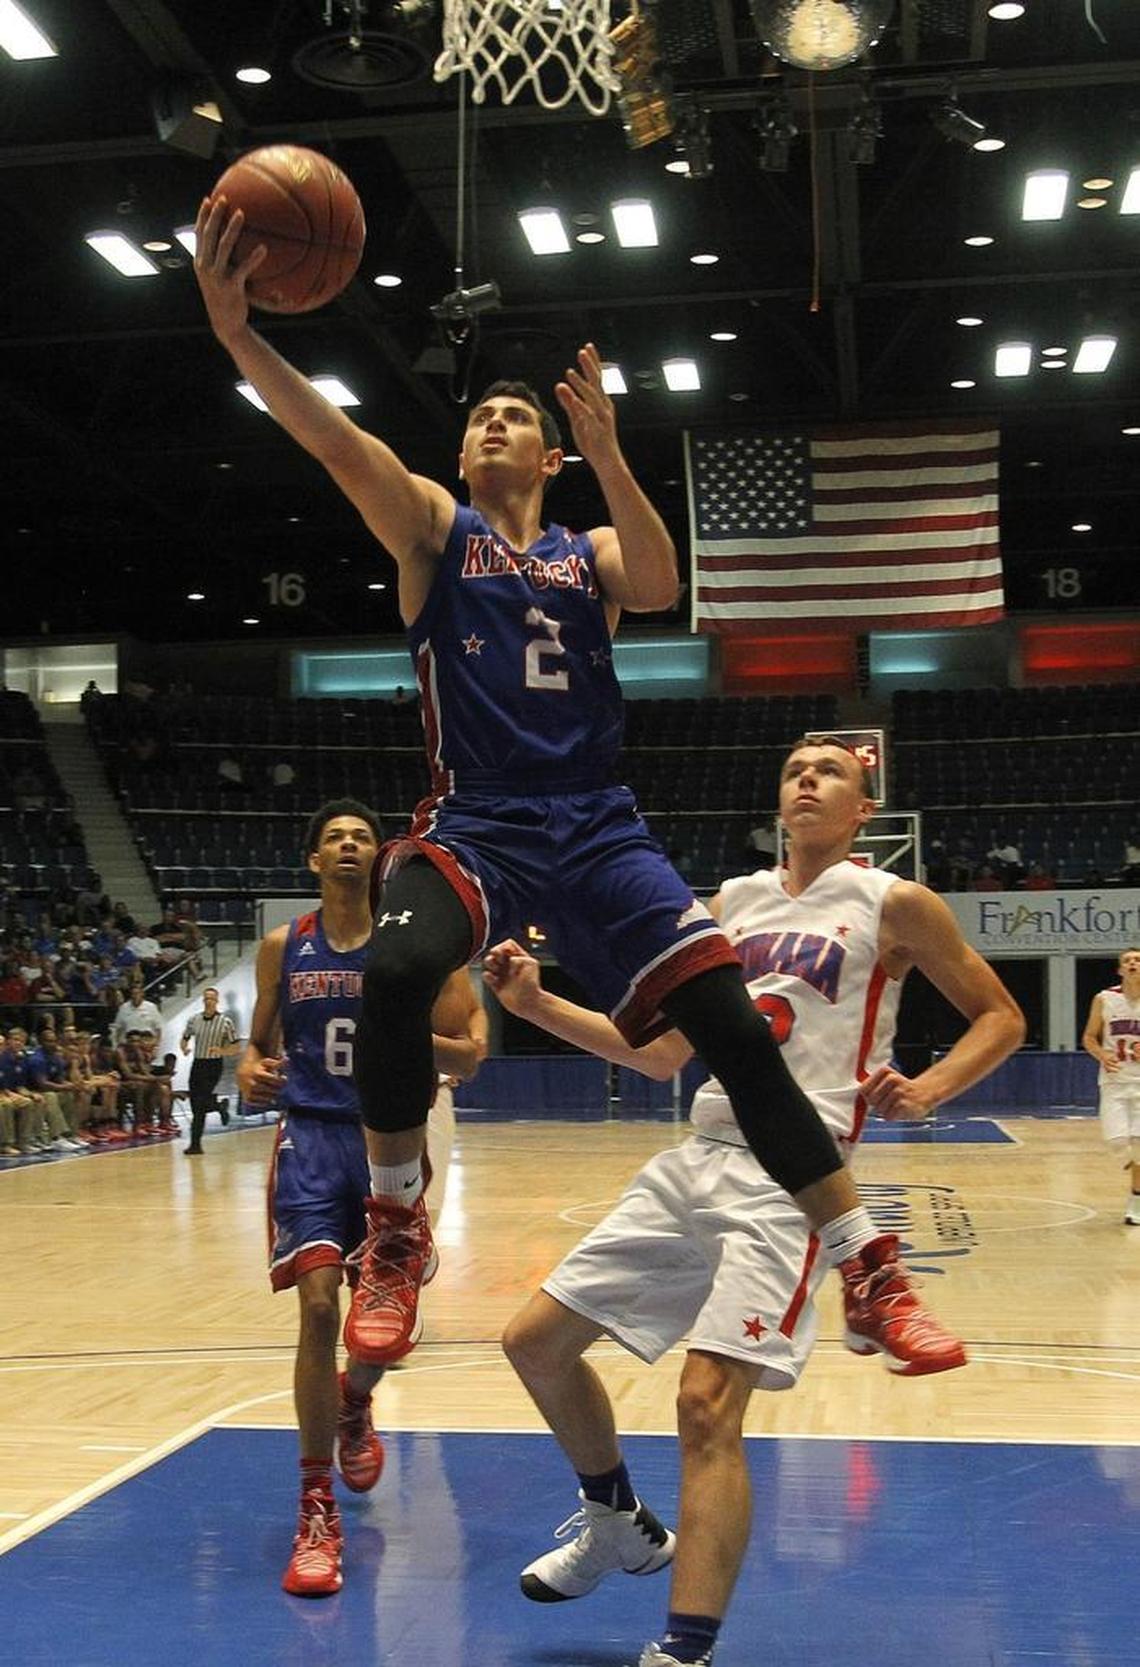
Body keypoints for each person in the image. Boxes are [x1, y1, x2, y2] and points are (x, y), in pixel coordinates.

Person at [194, 201, 967, 1379]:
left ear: (546, 454)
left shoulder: (588, 553)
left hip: (600, 825)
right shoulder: (432, 532)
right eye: (481, 418)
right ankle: (397, 1229)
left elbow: (658, 583)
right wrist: (242, 337)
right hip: (481, 826)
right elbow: (337, 441)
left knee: (734, 1031)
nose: (497, 425)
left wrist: (609, 454)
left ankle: (866, 1261)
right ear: (462, 456)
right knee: (400, 968)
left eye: (517, 417)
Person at [485, 737, 1026, 1667]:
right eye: (793, 771)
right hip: (696, 1153)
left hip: (793, 1180)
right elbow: (656, 1051)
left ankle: (685, 1650)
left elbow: (1003, 1015)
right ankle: (615, 1518)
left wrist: (930, 1089)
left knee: (705, 1405)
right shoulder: (726, 904)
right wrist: (535, 1007)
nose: (807, 779)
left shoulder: (894, 902)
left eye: (830, 772)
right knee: (533, 1341)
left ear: (865, 809)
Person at [236, 799, 486, 1597]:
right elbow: (259, 1041)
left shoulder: (418, 943)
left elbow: (471, 1051)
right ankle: (317, 1506)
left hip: (393, 1137)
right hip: (310, 1138)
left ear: (381, 858)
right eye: (334, 838)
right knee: (316, 1309)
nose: (348, 846)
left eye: (362, 837)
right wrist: (248, 1064)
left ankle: (355, 1401)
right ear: (313, 859)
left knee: (377, 1335)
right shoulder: (284, 947)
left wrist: (400, 1035)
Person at [1081, 947, 1140, 1226]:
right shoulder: (1104, 999)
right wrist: (1102, 1054)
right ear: (1120, 970)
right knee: (1117, 1144)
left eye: (1138, 960)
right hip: (1114, 1081)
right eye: (1127, 961)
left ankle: (1136, 1203)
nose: (1133, 963)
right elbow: (1089, 1038)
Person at [179, 985, 240, 1154]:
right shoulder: (194, 1020)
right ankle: (219, 1107)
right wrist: (184, 1048)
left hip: (213, 1065)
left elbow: (236, 1047)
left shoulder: (225, 1022)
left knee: (200, 1103)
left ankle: (195, 1143)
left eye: (212, 999)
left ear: (217, 1001)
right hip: (197, 1063)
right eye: (206, 999)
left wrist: (222, 1051)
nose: (209, 1002)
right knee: (195, 1102)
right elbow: (184, 1038)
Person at [111, 981, 163, 1047]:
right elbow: (118, 1028)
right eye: (133, 994)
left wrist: (157, 1044)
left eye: (137, 993)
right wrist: (118, 1043)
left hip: (147, 1042)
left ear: (142, 994)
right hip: (129, 1042)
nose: (135, 996)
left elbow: (158, 1028)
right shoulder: (123, 1008)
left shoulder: (151, 1007)